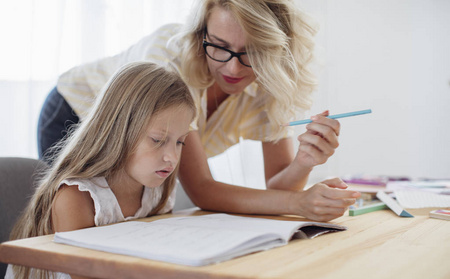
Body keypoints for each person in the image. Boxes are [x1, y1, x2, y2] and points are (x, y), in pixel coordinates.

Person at [38, 0, 360, 222]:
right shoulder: (167, 61)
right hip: (76, 112)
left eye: (253, 53)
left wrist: (304, 163)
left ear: (276, 51)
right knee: (85, 216)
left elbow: (277, 191)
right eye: (219, 46)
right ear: (201, 34)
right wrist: (300, 203)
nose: (232, 67)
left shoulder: (269, 86)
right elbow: (202, 190)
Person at [1, 62, 196, 279]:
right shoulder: (76, 199)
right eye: (157, 140)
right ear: (119, 129)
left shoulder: (156, 190)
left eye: (180, 142)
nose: (172, 157)